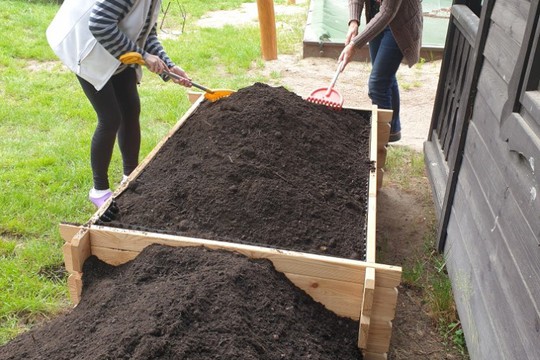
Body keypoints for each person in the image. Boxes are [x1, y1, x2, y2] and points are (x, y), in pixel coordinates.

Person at [47, 0, 191, 208]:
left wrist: (168, 65)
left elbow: (146, 33)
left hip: (116, 48)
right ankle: (99, 190)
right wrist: (143, 56)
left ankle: (131, 176)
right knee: (110, 118)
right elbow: (99, 23)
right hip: (86, 47)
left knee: (131, 109)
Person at [338, 0, 423, 142]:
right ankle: (392, 132)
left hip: (399, 24)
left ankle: (380, 143)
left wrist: (354, 45)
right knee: (385, 76)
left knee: (377, 85)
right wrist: (354, 21)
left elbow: (388, 12)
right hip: (375, 17)